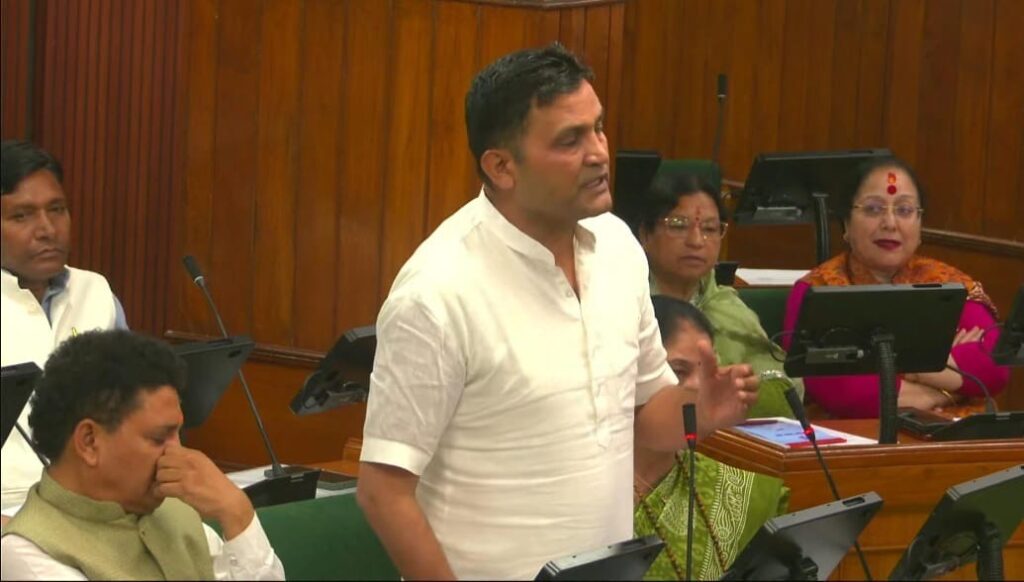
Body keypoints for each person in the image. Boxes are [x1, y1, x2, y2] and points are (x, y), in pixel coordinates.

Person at [356, 44, 759, 580]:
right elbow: (383, 491)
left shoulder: (617, 247)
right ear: (501, 166)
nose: (598, 153)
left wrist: (697, 411)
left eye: (599, 128)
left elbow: (643, 412)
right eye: (570, 140)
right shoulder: (437, 292)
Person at [0, 330, 284, 580]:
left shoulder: (174, 511)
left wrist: (236, 511)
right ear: (89, 442)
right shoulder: (28, 553)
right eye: (159, 438)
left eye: (178, 434)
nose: (177, 453)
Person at [781, 157, 1010, 418]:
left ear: (920, 224)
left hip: (960, 434)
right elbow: (849, 394)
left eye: (904, 210)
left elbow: (995, 367)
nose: (890, 223)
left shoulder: (949, 283)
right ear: (846, 223)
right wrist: (947, 388)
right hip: (855, 437)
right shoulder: (818, 291)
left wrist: (904, 370)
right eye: (873, 209)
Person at [1, 140, 127, 509]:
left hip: (96, 498)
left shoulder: (95, 291)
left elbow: (134, 404)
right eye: (21, 216)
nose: (47, 229)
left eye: (57, 210)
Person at [634, 296, 789, 580]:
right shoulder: (594, 486)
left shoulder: (737, 489)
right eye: (679, 371)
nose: (698, 387)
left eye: (707, 372)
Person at [636, 171, 799, 418]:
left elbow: (786, 394)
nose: (696, 241)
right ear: (645, 234)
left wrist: (734, 394)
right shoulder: (625, 305)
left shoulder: (729, 309)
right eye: (678, 226)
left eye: (710, 228)